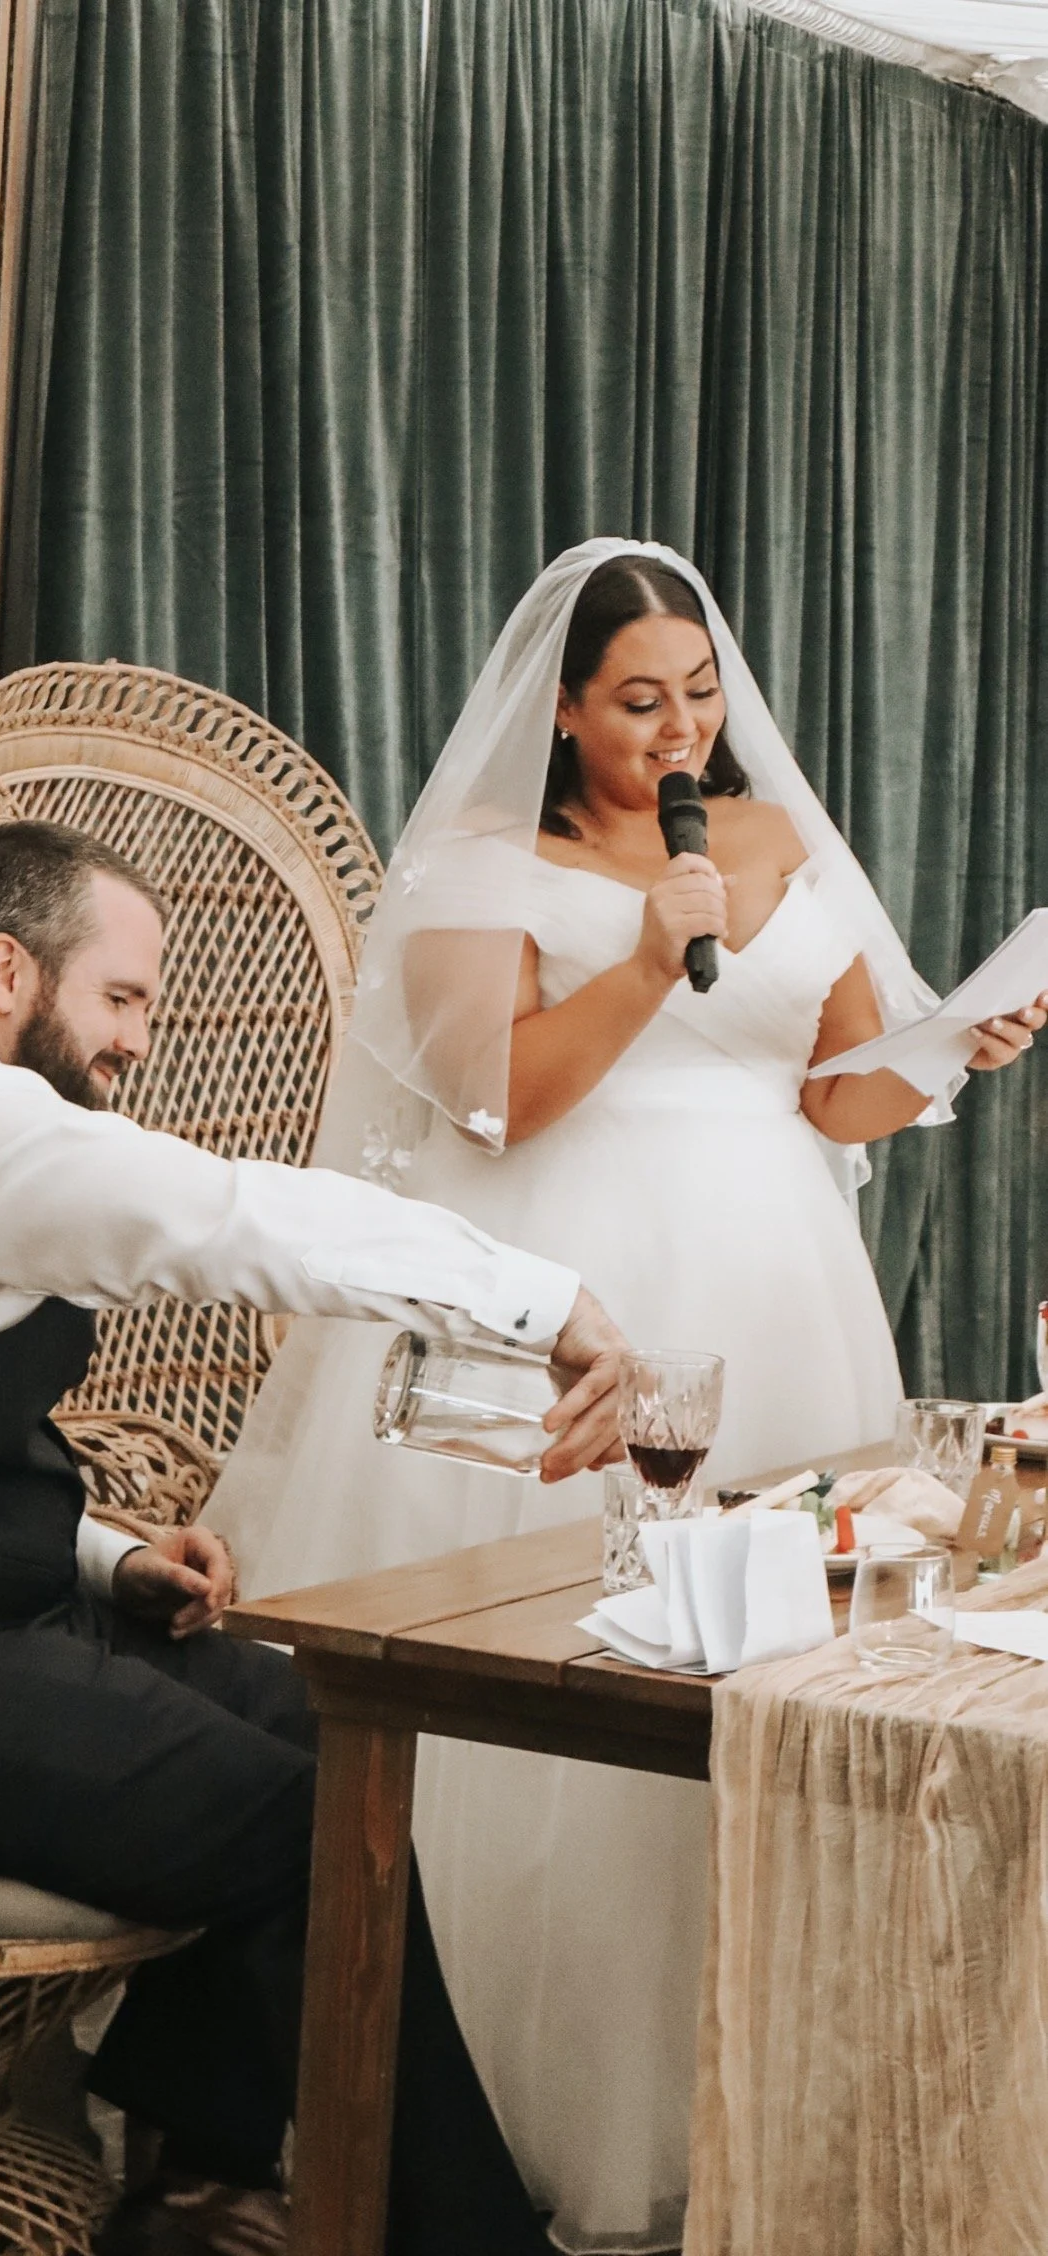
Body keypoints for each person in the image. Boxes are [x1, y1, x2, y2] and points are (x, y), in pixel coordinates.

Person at [206, 539, 1048, 2255]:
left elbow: (824, 1104)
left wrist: (948, 1047)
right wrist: (651, 953)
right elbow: (496, 1100)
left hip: (783, 1304)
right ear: (566, 708)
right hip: (567, 1310)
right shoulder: (478, 864)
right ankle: (501, 2119)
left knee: (777, 1677)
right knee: (563, 1697)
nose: (678, 731)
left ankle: (765, 2084)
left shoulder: (781, 842)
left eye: (698, 695)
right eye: (636, 703)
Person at [0, 819, 633, 2256]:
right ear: (3, 972)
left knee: (321, 1724)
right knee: (309, 1830)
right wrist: (543, 1304)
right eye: (122, 998)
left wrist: (108, 1557)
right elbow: (228, 1215)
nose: (138, 1041)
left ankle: (191, 2175)